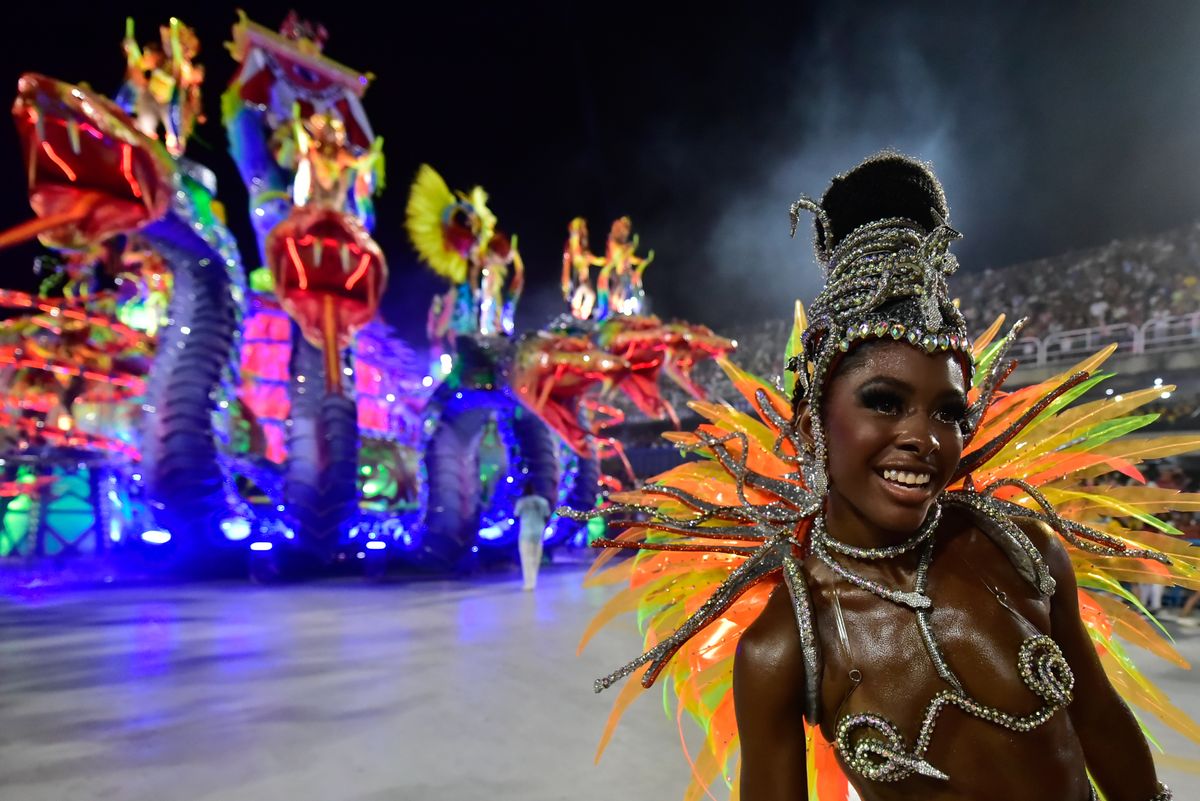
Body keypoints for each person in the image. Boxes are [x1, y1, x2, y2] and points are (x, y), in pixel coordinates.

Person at [576, 154, 1190, 801]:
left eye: (948, 411)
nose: (924, 438)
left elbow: (1097, 719)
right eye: (884, 400)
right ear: (813, 426)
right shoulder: (785, 647)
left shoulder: (1027, 552)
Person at [513, 482, 551, 590]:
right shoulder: (542, 501)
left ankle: (529, 583)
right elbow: (547, 515)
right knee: (536, 557)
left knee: (526, 558)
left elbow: (516, 515)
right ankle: (533, 580)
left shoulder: (521, 502)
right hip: (538, 532)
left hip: (526, 533)